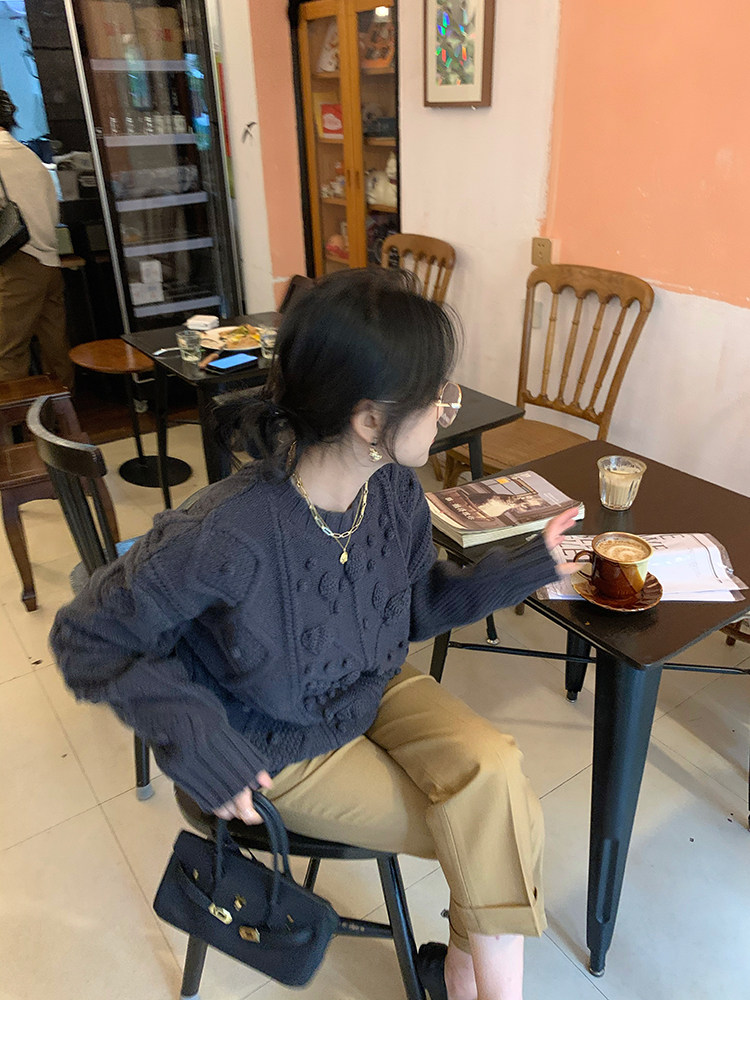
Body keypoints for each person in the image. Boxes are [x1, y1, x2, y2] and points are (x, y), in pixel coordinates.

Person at [50, 268, 579, 1000]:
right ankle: (478, 995)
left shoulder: (392, 490)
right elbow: (85, 635)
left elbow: (416, 606)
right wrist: (195, 734)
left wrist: (528, 566)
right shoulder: (227, 531)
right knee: (497, 821)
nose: (445, 411)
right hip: (275, 740)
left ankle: (468, 981)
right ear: (369, 420)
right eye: (435, 396)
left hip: (370, 685)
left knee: (498, 771)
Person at [0, 89, 73, 388]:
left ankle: (15, 420)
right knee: (55, 350)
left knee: (6, 353)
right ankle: (60, 413)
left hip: (17, 264)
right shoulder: (28, 155)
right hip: (49, 262)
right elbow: (52, 213)